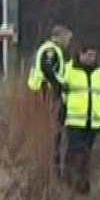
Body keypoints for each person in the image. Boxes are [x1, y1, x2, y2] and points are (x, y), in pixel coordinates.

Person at [58, 44, 100, 193]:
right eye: (88, 55)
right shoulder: (69, 69)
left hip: (94, 122)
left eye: (93, 56)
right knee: (73, 152)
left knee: (87, 153)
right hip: (75, 120)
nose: (91, 59)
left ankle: (82, 183)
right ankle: (69, 180)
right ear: (81, 54)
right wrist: (62, 111)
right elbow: (62, 93)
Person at [25, 23, 73, 169]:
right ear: (60, 36)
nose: (69, 42)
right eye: (68, 38)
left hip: (46, 91)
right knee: (52, 128)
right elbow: (48, 70)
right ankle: (50, 161)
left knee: (53, 127)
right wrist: (62, 84)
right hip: (46, 91)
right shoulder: (51, 49)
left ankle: (52, 160)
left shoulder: (54, 49)